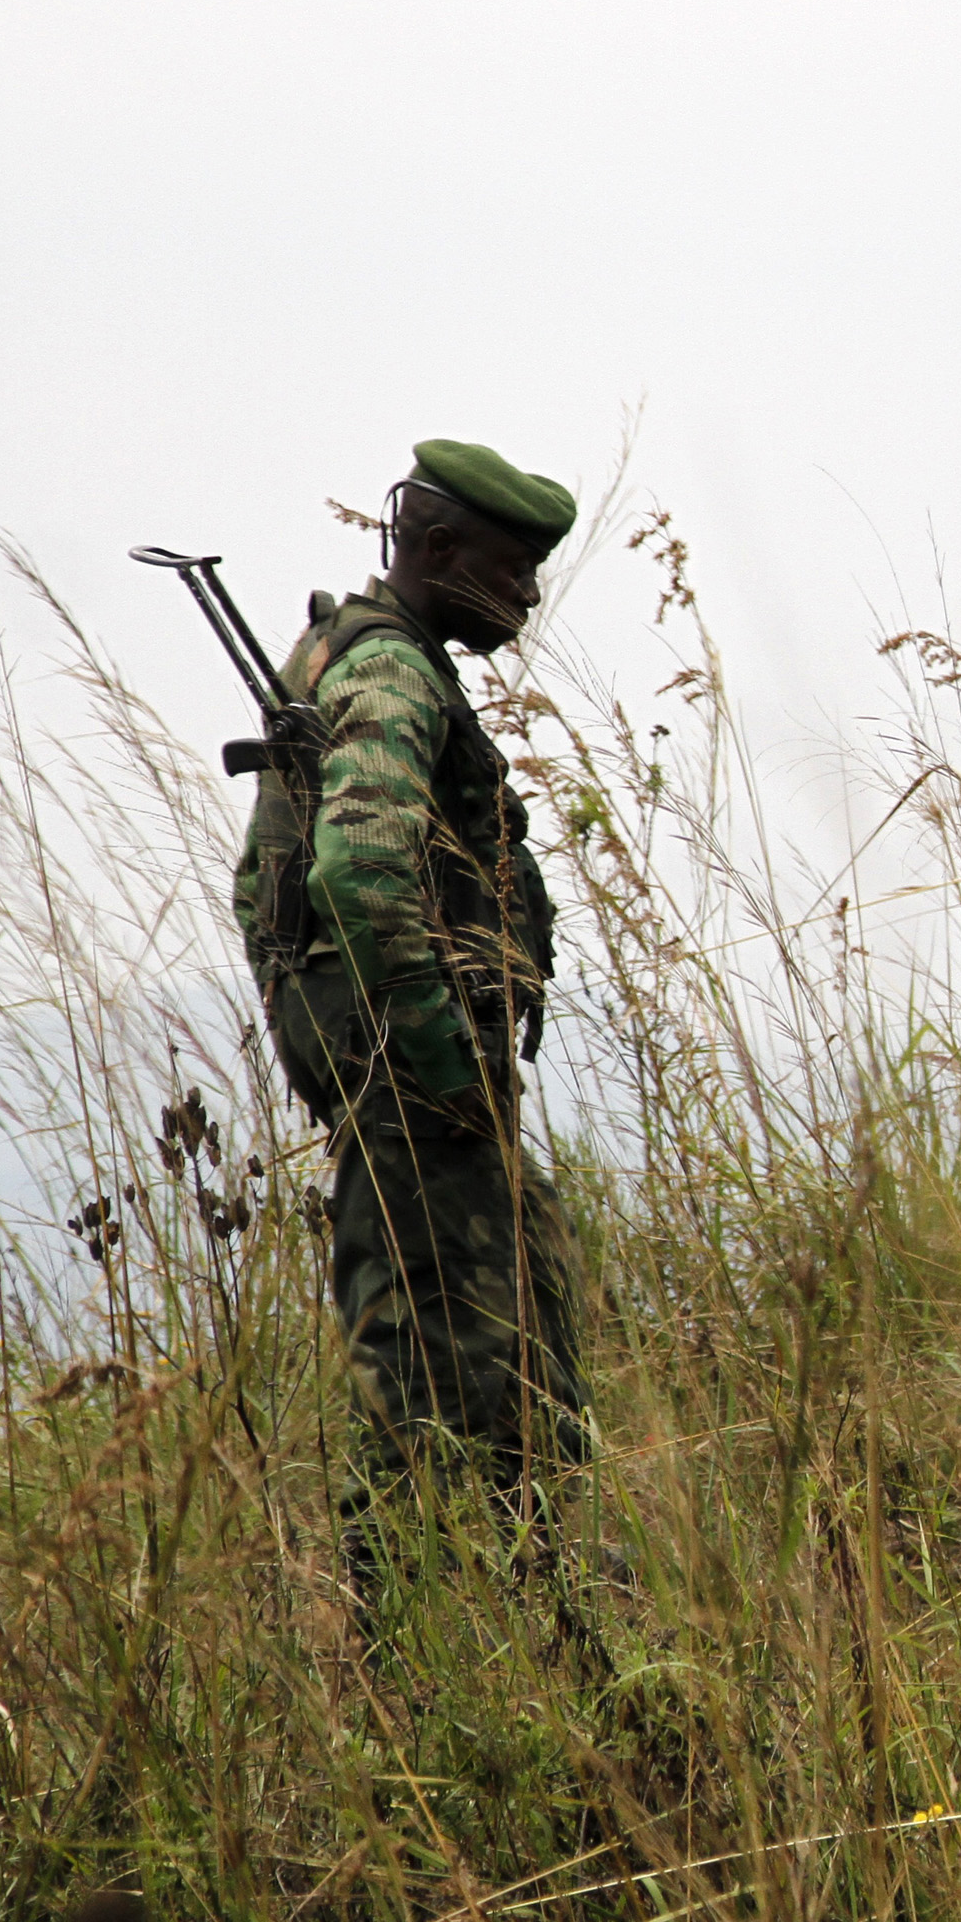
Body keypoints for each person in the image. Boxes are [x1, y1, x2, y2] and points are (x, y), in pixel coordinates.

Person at [232, 439, 587, 1569]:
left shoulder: (361, 652)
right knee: (441, 1368)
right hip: (411, 1074)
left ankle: (534, 1598)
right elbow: (360, 866)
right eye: (511, 569)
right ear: (437, 549)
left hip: (399, 1071)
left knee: (514, 1341)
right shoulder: (389, 673)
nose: (529, 597)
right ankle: (417, 1652)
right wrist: (443, 1057)